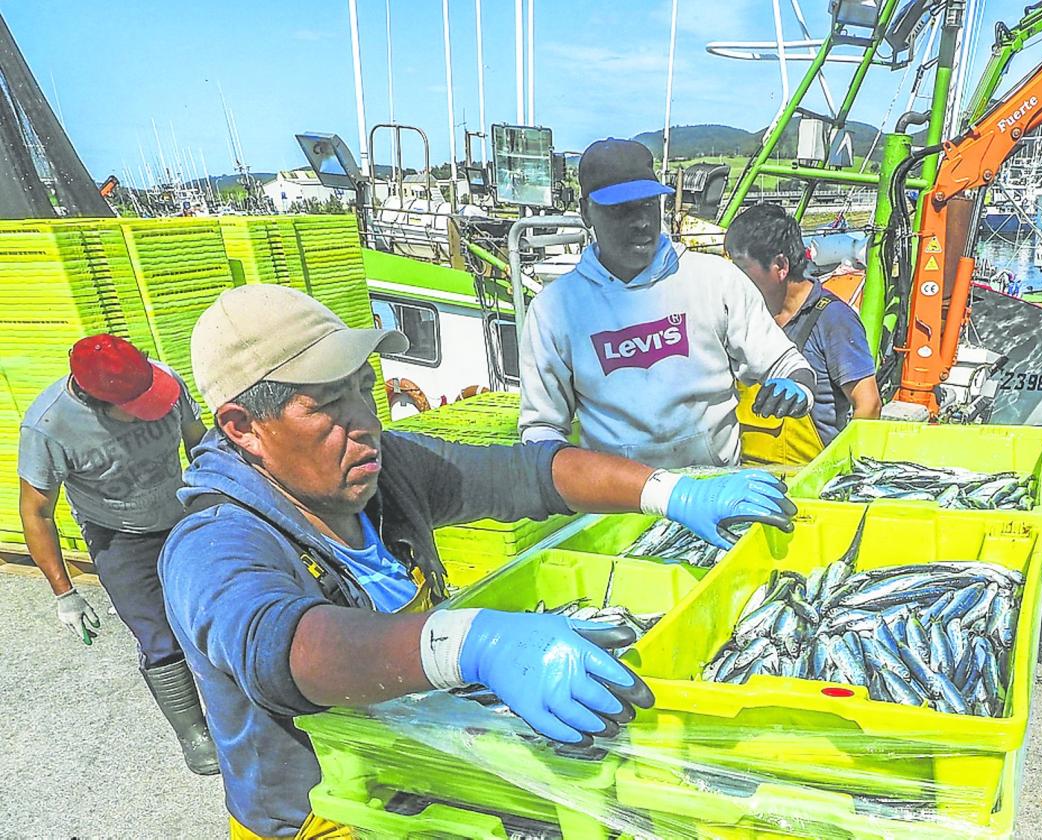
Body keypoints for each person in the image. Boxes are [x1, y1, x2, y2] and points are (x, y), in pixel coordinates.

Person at [160, 284, 800, 837]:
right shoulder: (213, 542)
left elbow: (527, 474)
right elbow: (282, 647)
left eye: (363, 389)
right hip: (325, 813)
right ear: (242, 426)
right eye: (326, 405)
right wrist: (473, 643)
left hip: (426, 775)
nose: (364, 422)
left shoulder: (384, 471)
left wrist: (669, 490)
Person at [518, 138, 817, 470]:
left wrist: (799, 386)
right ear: (586, 212)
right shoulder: (555, 310)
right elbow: (542, 427)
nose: (642, 222)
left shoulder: (716, 280)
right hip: (616, 504)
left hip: (715, 489)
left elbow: (785, 363)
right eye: (621, 210)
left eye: (648, 204)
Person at [17, 334, 218, 775]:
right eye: (136, 405)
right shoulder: (49, 429)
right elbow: (36, 513)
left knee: (219, 612)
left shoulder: (166, 384)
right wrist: (64, 592)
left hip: (182, 511)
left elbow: (199, 443)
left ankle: (240, 713)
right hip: (120, 536)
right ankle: (194, 733)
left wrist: (218, 501)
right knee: (159, 637)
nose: (152, 405)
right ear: (95, 401)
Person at [725, 204, 881, 462]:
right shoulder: (744, 316)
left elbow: (869, 406)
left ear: (780, 265)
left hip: (809, 481)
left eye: (741, 267)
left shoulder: (833, 319)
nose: (731, 278)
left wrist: (837, 469)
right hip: (748, 477)